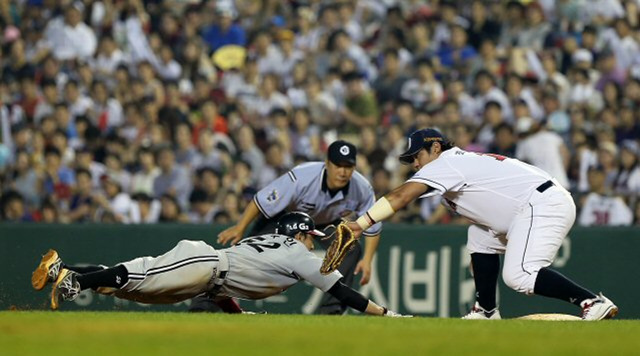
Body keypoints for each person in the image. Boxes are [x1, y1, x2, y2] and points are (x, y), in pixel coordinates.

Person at [345, 128, 618, 321]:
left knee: (520, 275)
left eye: (417, 156)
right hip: (533, 205)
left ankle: (592, 302)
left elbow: (401, 196)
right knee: (478, 235)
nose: (415, 163)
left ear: (436, 148)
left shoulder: (447, 162)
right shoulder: (455, 166)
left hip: (542, 204)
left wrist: (362, 223)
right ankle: (486, 310)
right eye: (411, 159)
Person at [32, 212, 406, 317]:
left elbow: (224, 290)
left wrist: (236, 317)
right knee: (139, 276)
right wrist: (384, 313)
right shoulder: (297, 253)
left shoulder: (265, 243)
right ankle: (74, 280)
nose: (312, 240)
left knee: (131, 287)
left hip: (206, 276)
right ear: (300, 234)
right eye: (309, 235)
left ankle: (63, 271)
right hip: (204, 262)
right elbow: (341, 291)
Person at [216, 140, 382, 315]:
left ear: (354, 167)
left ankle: (332, 311)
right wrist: (240, 227)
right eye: (338, 165)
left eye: (348, 166)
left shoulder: (362, 187)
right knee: (249, 254)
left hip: (325, 221)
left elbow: (373, 223)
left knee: (350, 248)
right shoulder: (303, 176)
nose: (343, 171)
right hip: (283, 217)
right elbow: (262, 199)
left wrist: (368, 259)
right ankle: (207, 301)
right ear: (327, 163)